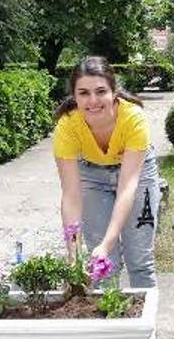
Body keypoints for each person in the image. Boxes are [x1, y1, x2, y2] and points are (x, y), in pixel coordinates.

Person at [53, 56, 162, 287]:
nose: (93, 101)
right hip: (91, 174)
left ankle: (145, 311)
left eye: (101, 91)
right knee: (102, 264)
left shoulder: (133, 118)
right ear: (74, 96)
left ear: (114, 92)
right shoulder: (67, 125)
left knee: (140, 261)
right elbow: (71, 197)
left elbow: (127, 188)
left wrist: (108, 242)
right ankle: (108, 310)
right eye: (84, 93)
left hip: (137, 173)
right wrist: (73, 252)